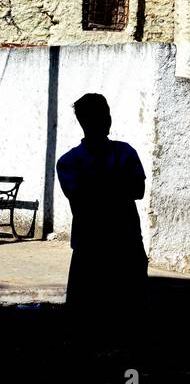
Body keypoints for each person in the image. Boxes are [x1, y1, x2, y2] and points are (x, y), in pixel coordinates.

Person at [56, 93, 148, 337]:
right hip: (106, 244)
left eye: (105, 114)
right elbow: (129, 190)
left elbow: (134, 190)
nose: (106, 120)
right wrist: (116, 184)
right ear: (86, 121)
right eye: (101, 115)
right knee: (115, 317)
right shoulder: (124, 155)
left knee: (99, 319)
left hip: (106, 243)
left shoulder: (71, 163)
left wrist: (96, 185)